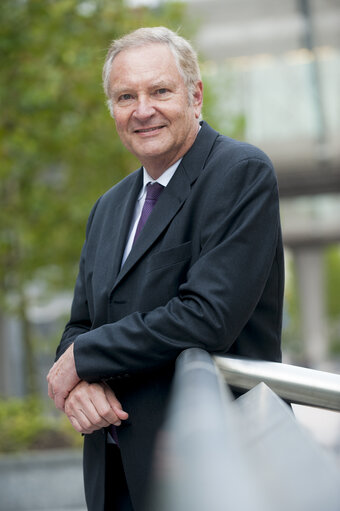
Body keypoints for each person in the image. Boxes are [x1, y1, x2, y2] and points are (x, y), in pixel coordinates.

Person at [47, 26, 284, 511]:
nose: (142, 110)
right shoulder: (108, 207)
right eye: (125, 96)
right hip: (114, 470)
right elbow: (80, 324)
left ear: (195, 96)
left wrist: (85, 357)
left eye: (159, 91)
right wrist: (80, 386)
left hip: (207, 470)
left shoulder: (240, 173)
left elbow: (207, 317)